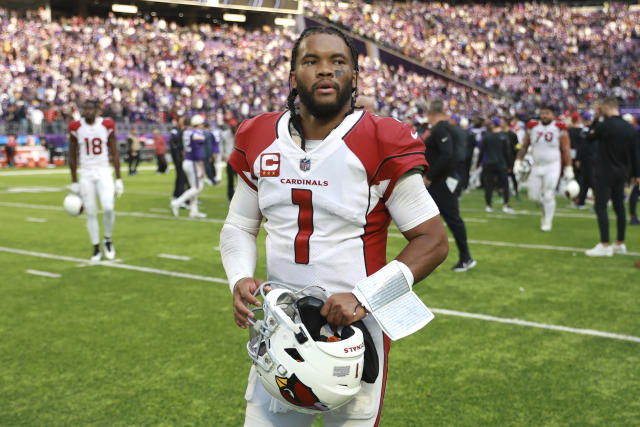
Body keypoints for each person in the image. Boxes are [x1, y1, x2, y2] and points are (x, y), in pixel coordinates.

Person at [219, 26, 448, 427]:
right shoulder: (258, 135)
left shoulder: (380, 138)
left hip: (354, 337)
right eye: (311, 62)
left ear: (354, 77)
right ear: (293, 78)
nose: (325, 71)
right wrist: (238, 277)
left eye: (338, 62)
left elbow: (432, 240)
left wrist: (364, 297)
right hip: (282, 330)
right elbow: (239, 224)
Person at [422, 99, 475, 272]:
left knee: (450, 219)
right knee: (433, 219)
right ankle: (430, 257)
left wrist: (430, 176)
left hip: (442, 181)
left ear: (430, 113)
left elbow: (447, 155)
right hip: (448, 179)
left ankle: (466, 257)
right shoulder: (453, 129)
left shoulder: (440, 129)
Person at [68, 100, 124, 261]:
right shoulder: (76, 127)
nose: (88, 111)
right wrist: (74, 180)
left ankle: (107, 238)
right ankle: (96, 247)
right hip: (86, 172)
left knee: (108, 207)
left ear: (97, 110)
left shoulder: (106, 124)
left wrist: (119, 178)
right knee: (91, 211)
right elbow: (72, 155)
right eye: (85, 108)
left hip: (104, 170)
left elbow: (114, 152)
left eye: (91, 108)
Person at [584, 97, 639, 256]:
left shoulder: (604, 125)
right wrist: (636, 174)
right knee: (619, 207)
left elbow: (589, 138)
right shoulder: (629, 128)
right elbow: (635, 154)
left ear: (605, 107)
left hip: (604, 171)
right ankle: (620, 243)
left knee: (600, 206)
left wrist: (596, 119)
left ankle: (605, 244)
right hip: (622, 172)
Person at [514, 105, 573, 232]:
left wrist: (569, 167)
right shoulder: (533, 126)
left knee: (548, 194)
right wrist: (518, 160)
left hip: (553, 165)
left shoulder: (559, 127)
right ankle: (545, 209)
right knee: (533, 196)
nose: (544, 116)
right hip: (536, 165)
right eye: (543, 113)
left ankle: (547, 221)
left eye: (547, 113)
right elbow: (525, 145)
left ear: (553, 115)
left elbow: (565, 148)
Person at [170, 115, 207, 218]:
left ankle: (193, 211)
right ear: (199, 124)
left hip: (186, 161)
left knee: (193, 186)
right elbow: (198, 153)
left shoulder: (187, 132)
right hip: (193, 162)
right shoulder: (197, 133)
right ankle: (176, 202)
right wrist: (202, 168)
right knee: (198, 187)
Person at [477, 117, 514, 213]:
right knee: (505, 185)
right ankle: (506, 205)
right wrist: (510, 165)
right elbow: (507, 152)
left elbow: (481, 152)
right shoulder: (504, 136)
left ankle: (489, 205)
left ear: (493, 124)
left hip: (489, 163)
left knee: (489, 185)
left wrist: (478, 163)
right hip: (501, 164)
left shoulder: (487, 136)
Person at [168, 116, 190, 204]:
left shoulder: (181, 131)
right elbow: (174, 145)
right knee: (181, 178)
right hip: (179, 158)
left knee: (181, 178)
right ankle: (180, 197)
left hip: (180, 158)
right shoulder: (175, 131)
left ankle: (176, 195)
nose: (182, 122)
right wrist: (178, 158)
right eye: (181, 120)